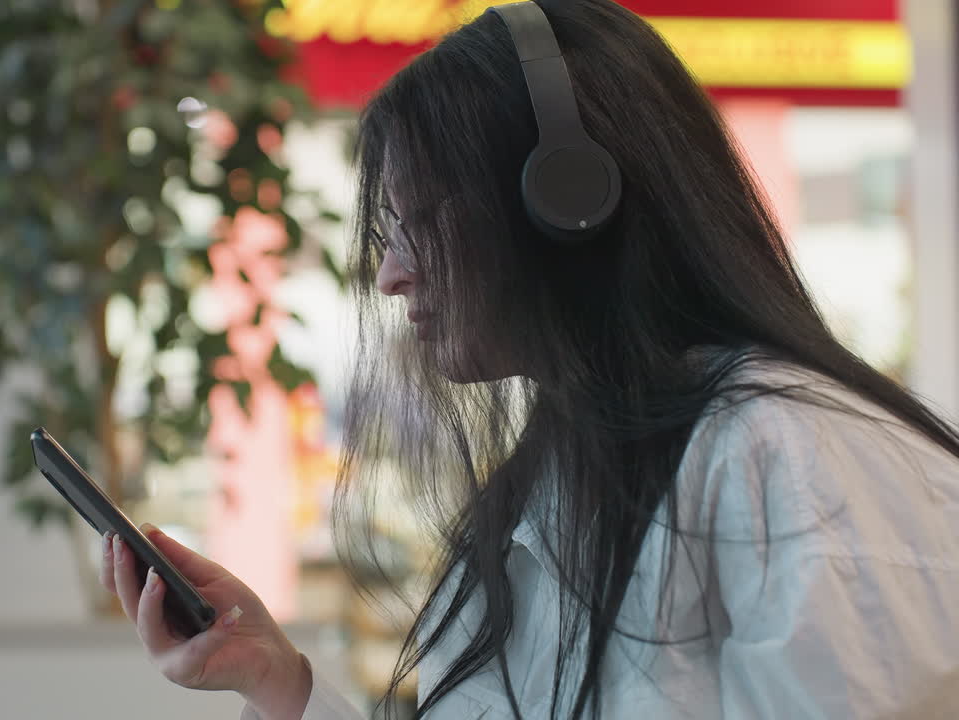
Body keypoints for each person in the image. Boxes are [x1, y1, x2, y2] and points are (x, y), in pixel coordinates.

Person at [101, 1, 959, 718]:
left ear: (567, 198)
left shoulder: (790, 455)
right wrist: (276, 679)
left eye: (420, 223)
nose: (393, 274)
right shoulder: (570, 467)